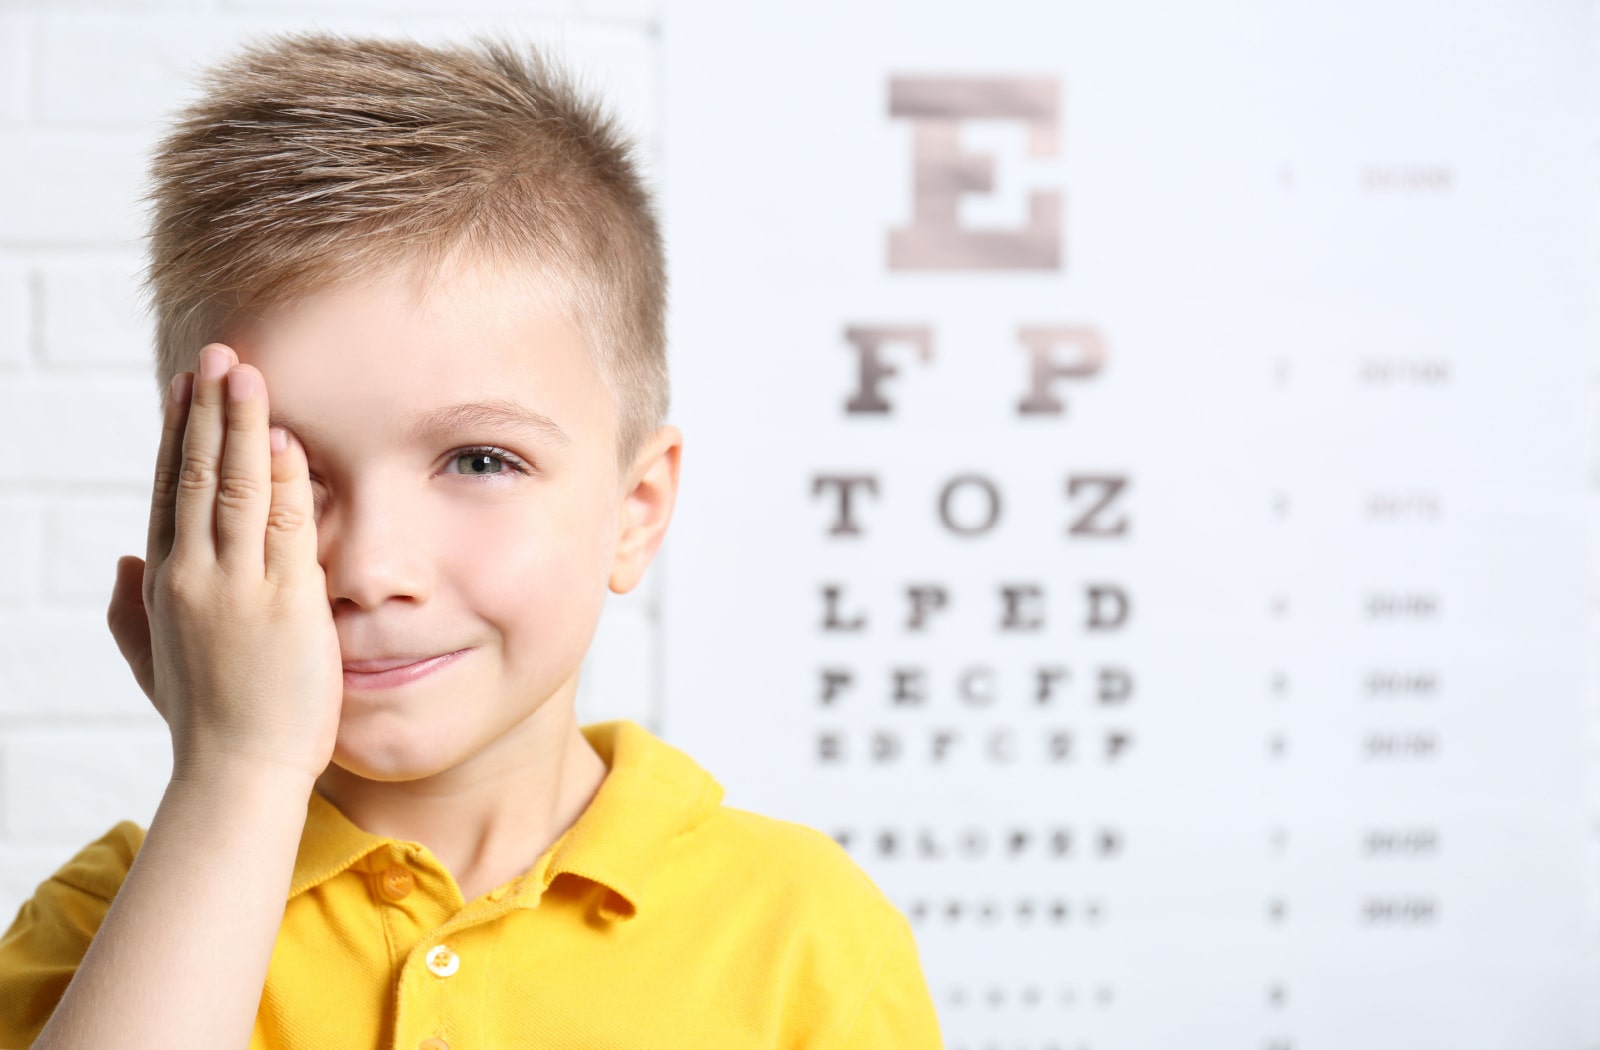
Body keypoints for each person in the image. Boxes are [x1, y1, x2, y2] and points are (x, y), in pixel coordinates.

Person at [0, 31, 941, 1049]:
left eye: (480, 462)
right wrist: (237, 772)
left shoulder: (802, 934)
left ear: (634, 510)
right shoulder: (107, 925)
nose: (369, 570)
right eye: (290, 476)